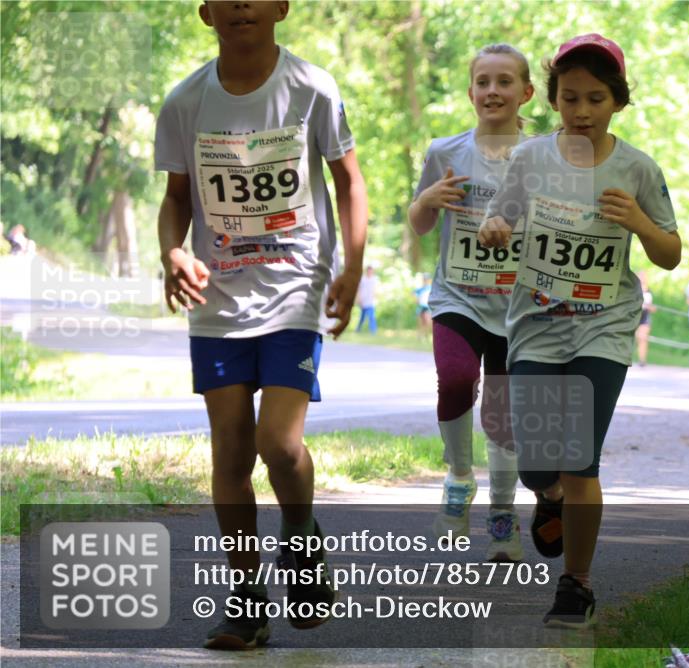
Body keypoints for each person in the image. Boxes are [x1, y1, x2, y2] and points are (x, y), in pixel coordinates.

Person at [154, 0, 368, 650]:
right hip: (218, 300)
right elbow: (176, 200)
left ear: (280, 7)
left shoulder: (311, 87)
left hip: (295, 288)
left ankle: (301, 541)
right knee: (230, 451)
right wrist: (173, 252)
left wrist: (352, 267)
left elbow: (349, 183)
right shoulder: (185, 101)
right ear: (206, 12)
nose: (242, 3)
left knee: (278, 444)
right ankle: (246, 602)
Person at [478, 33, 682, 627]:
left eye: (596, 98)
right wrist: (494, 228)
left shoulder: (639, 168)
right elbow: (503, 217)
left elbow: (669, 253)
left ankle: (577, 583)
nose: (582, 111)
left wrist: (640, 220)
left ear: (618, 101)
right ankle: (548, 497)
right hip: (537, 324)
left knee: (578, 458)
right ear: (553, 100)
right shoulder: (531, 158)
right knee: (540, 463)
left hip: (606, 326)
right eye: (569, 98)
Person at [408, 43, 535, 562]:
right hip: (458, 294)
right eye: (483, 81)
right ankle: (459, 478)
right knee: (457, 378)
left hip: (516, 307)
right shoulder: (446, 152)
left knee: (503, 414)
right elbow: (418, 224)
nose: (492, 91)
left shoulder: (544, 156)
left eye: (505, 82)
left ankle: (503, 518)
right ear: (470, 92)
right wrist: (426, 201)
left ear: (526, 93)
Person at [635, 270, 656, 367]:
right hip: (635, 316)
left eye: (644, 276)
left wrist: (651, 307)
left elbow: (651, 306)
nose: (642, 278)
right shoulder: (633, 289)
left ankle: (642, 360)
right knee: (637, 338)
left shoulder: (649, 290)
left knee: (643, 338)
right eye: (641, 276)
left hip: (645, 317)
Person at [355, 265, 378, 334]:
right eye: (368, 271)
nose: (370, 272)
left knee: (372, 316)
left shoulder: (374, 279)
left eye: (371, 271)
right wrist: (358, 299)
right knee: (362, 317)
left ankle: (373, 331)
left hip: (371, 301)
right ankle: (358, 328)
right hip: (363, 300)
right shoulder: (362, 279)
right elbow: (358, 289)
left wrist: (376, 297)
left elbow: (376, 289)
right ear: (366, 271)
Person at [414, 272, 432, 338]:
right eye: (424, 279)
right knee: (420, 321)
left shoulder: (431, 288)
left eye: (426, 279)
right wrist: (416, 299)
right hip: (421, 306)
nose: (425, 280)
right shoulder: (420, 289)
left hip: (428, 307)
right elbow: (414, 293)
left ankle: (426, 334)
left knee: (428, 321)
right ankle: (420, 335)